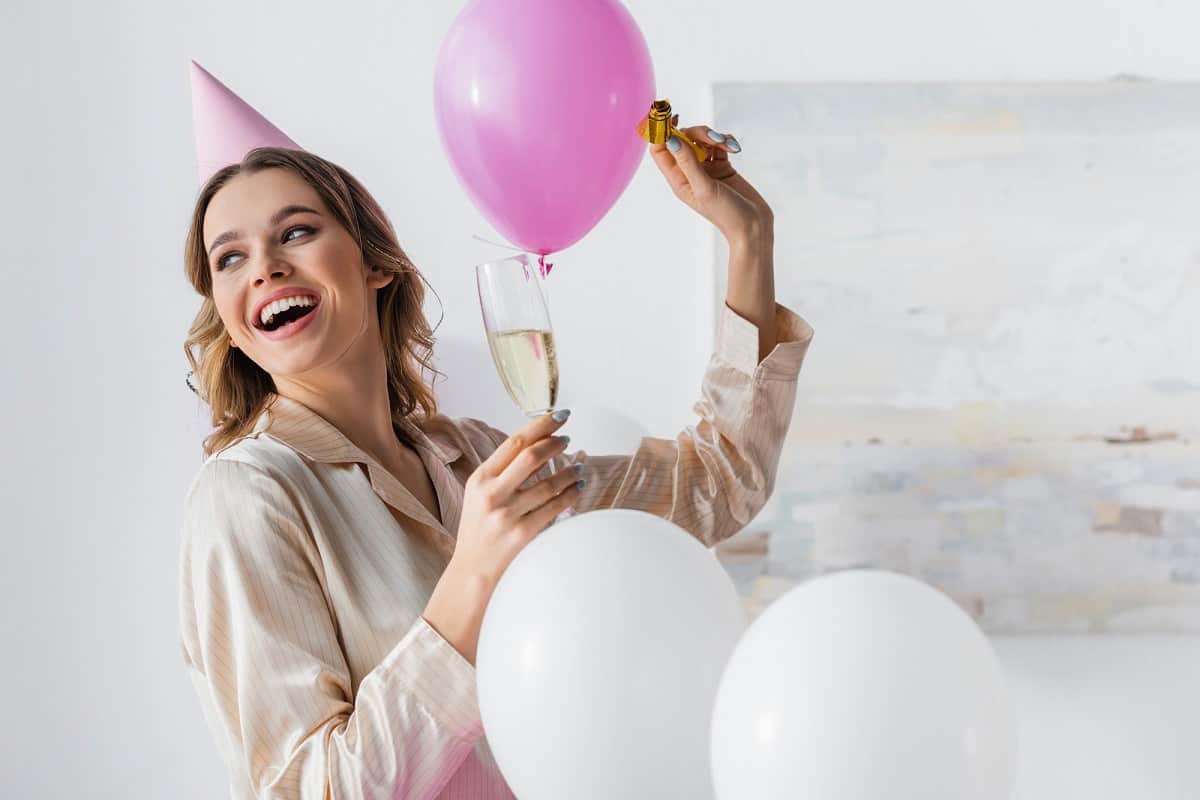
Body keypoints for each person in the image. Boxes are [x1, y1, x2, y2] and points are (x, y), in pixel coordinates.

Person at [178, 123, 814, 798]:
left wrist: (749, 239)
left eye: (296, 232)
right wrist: (471, 580)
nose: (264, 268)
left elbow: (718, 483)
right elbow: (310, 789)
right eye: (229, 259)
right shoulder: (247, 498)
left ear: (376, 264)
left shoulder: (480, 458)